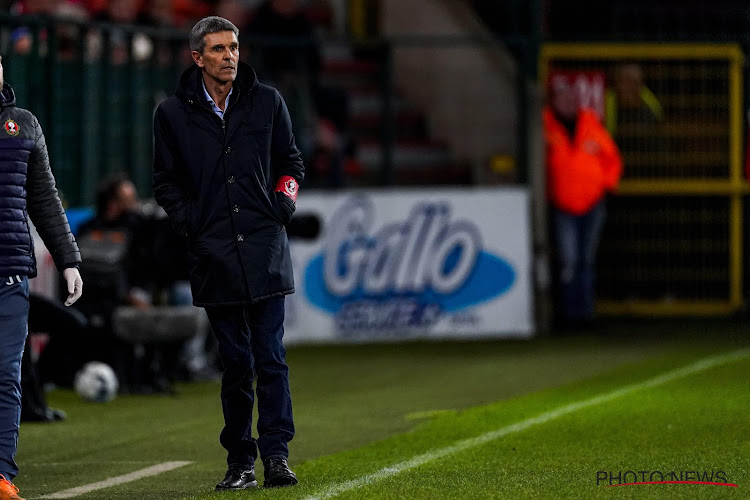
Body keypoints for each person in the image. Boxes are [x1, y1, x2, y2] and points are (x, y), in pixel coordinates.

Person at [152, 16, 304, 491]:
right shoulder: (172, 114)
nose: (230, 56)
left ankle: (276, 456)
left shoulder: (267, 101)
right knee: (236, 365)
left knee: (271, 359)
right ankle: (240, 461)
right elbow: (165, 184)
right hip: (213, 255)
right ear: (197, 57)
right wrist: (191, 226)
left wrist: (283, 204)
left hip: (264, 250)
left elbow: (291, 164)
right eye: (218, 49)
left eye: (234, 47)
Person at [0, 53, 83, 500]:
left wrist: (68, 259)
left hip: (9, 272)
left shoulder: (24, 124)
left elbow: (44, 197)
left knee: (6, 376)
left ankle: (0, 476)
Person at [543, 84, 623, 330]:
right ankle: (567, 316)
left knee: (586, 262)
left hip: (592, 204)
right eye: (562, 98)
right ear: (553, 101)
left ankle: (585, 315)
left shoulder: (591, 125)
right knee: (568, 262)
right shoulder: (545, 127)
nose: (567, 103)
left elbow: (612, 159)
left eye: (570, 98)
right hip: (563, 205)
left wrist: (604, 185)